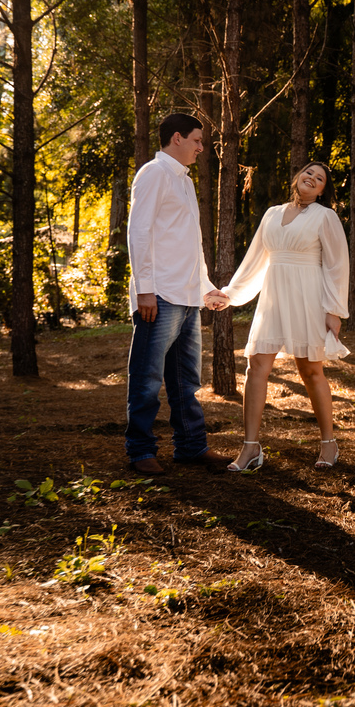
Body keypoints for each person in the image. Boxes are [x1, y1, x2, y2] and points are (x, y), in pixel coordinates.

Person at [212, 161, 350, 472]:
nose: (312, 179)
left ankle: (329, 443)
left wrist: (334, 311)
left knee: (311, 371)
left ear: (323, 189)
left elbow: (337, 266)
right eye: (308, 173)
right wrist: (231, 293)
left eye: (319, 179)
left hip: (309, 298)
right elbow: (256, 259)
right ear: (297, 177)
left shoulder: (325, 217)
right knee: (256, 364)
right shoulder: (272, 213)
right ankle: (251, 448)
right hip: (273, 298)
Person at [124, 113, 232, 475]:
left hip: (186, 297)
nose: (202, 148)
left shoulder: (183, 181)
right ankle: (140, 451)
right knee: (147, 379)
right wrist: (145, 290)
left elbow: (191, 244)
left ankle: (190, 447)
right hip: (160, 295)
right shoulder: (154, 173)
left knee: (186, 381)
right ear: (177, 138)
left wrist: (205, 288)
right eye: (197, 140)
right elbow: (138, 233)